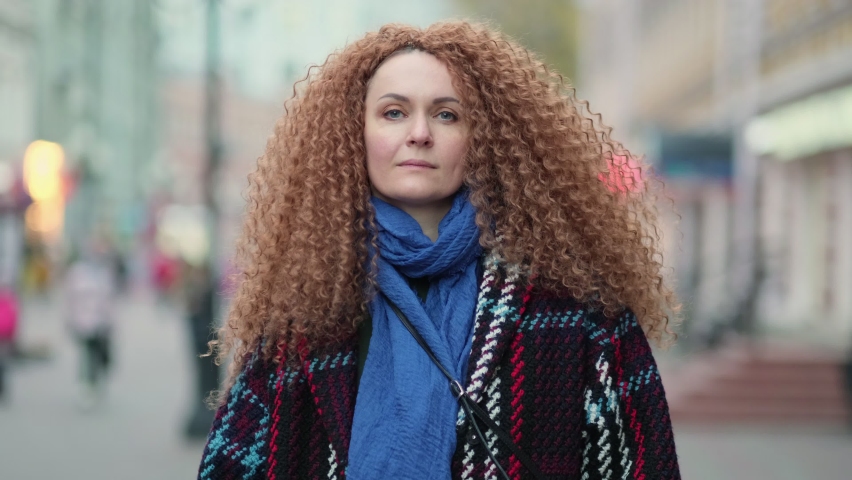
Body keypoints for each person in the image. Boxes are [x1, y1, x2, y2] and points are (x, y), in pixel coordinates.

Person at [198, 21, 681, 479]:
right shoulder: (303, 311)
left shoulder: (576, 305)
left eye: (447, 114)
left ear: (485, 137)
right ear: (353, 133)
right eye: (393, 112)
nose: (420, 133)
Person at [64, 238, 117, 409]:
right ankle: (86, 385)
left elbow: (109, 299)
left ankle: (94, 382)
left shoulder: (105, 272)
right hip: (81, 321)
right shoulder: (77, 272)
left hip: (100, 322)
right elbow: (70, 298)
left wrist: (110, 321)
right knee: (85, 354)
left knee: (97, 354)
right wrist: (69, 319)